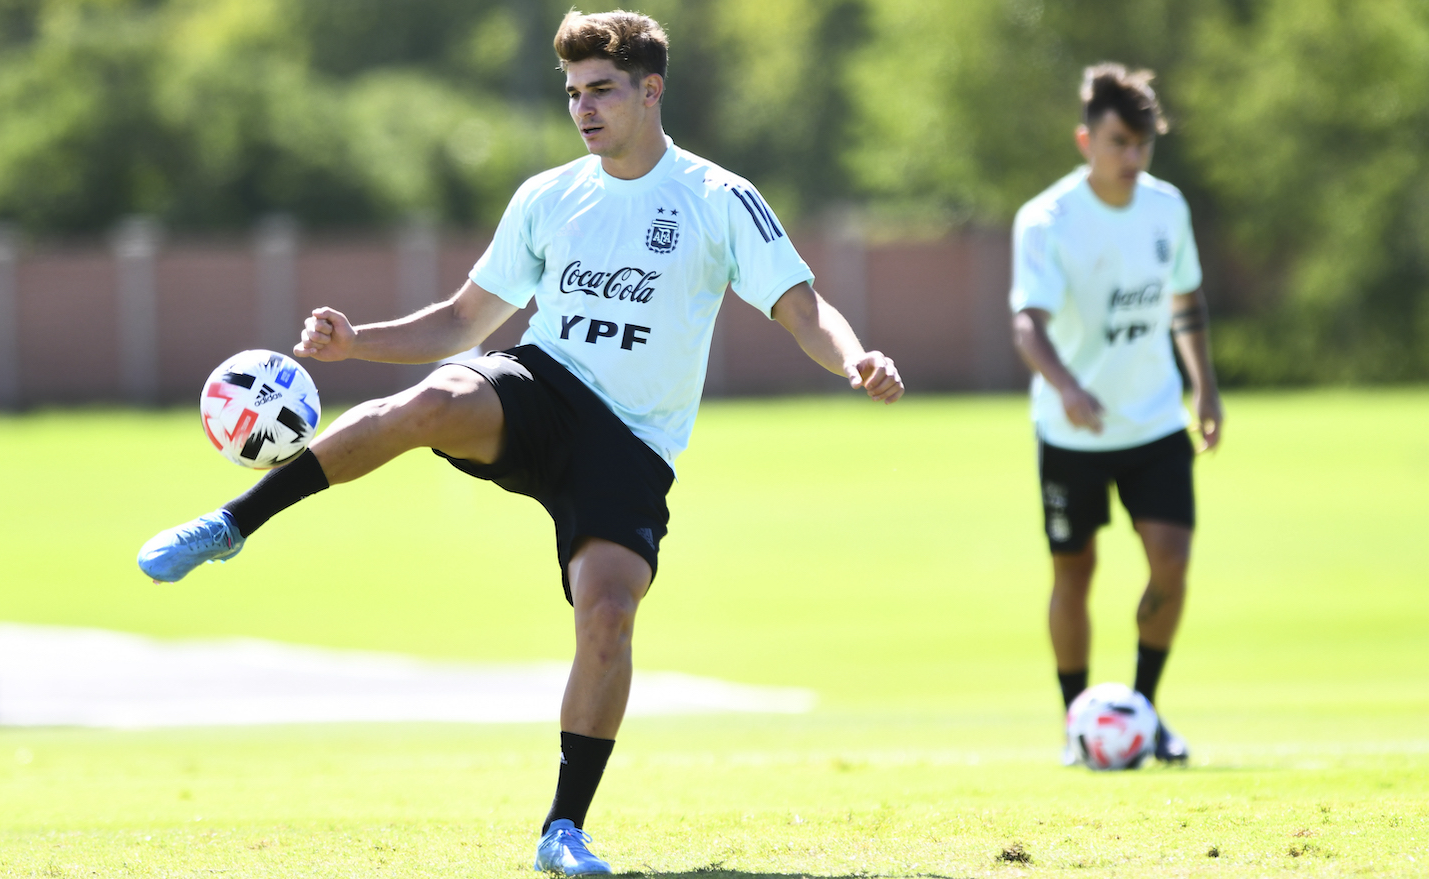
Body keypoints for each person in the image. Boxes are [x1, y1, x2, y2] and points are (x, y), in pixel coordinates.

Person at [137, 9, 903, 876]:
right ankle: (231, 525)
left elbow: (800, 306)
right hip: (540, 385)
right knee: (434, 397)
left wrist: (855, 358)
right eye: (573, 92)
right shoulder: (549, 196)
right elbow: (465, 320)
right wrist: (357, 342)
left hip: (633, 449)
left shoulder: (719, 199)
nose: (583, 108)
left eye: (602, 90)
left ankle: (561, 830)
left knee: (608, 617)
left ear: (651, 91)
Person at [1009, 63, 1222, 767]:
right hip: (1073, 431)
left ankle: (1147, 712)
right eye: (1121, 142)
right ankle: (1078, 723)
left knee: (1173, 562)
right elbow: (1027, 326)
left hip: (1156, 421)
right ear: (1086, 140)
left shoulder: (1167, 208)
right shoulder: (1046, 219)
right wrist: (1067, 386)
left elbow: (1184, 302)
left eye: (1144, 145)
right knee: (1074, 572)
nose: (1133, 158)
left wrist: (1206, 388)